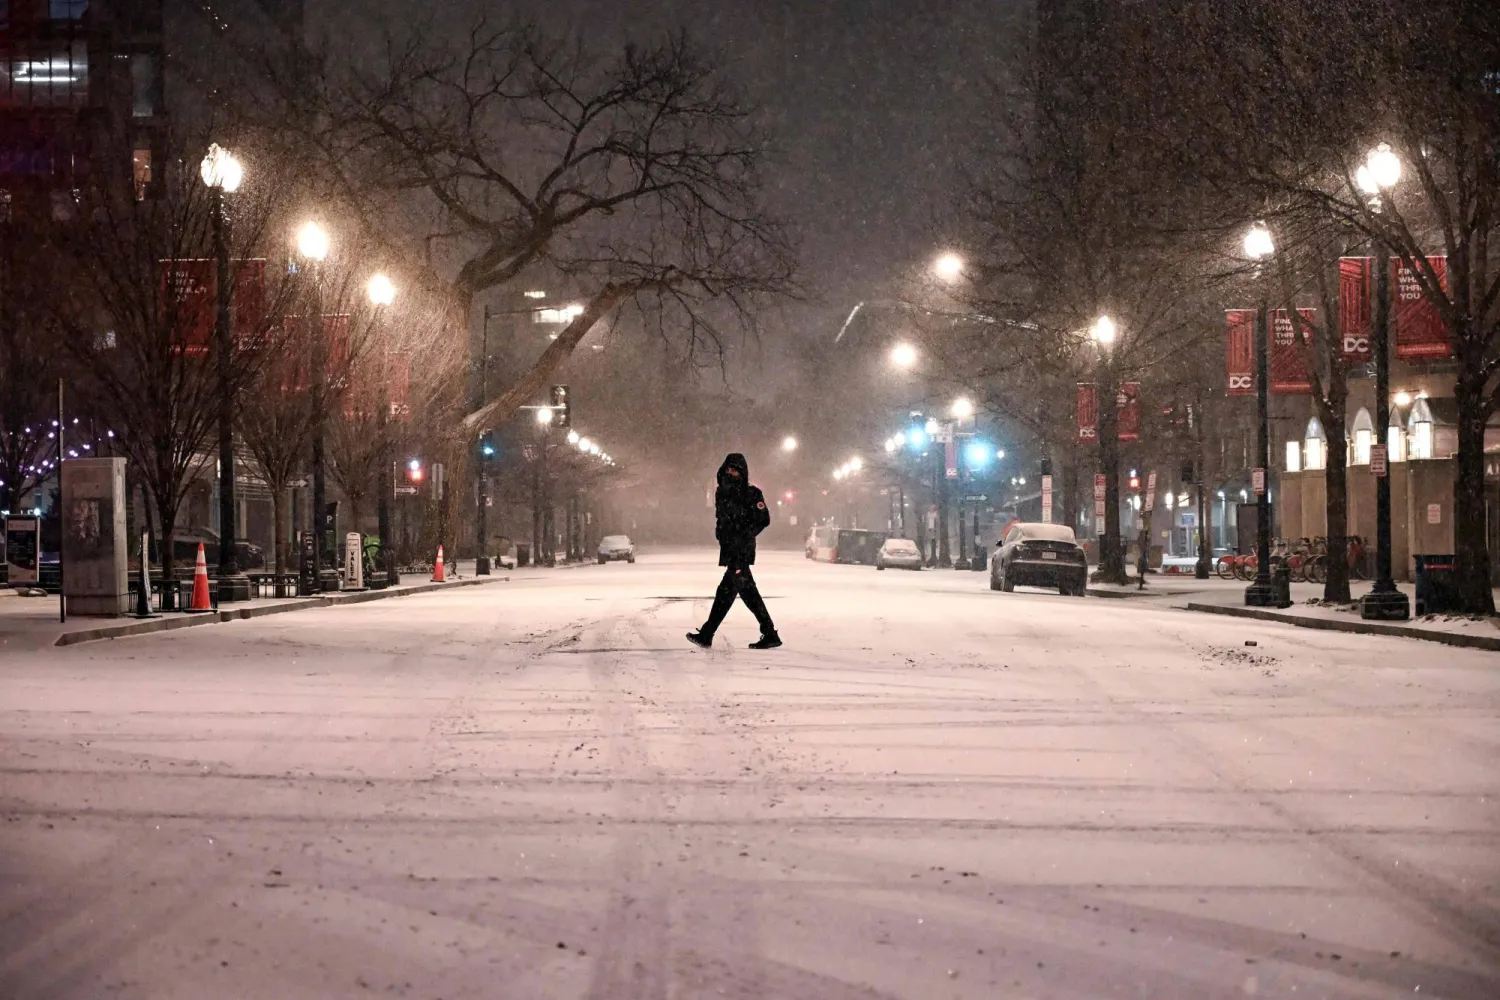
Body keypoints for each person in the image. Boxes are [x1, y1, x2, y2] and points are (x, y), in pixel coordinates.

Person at [687, 453, 782, 649]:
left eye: (735, 470)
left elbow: (764, 519)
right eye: (729, 469)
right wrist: (720, 531)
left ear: (742, 472)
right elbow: (721, 518)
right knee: (745, 592)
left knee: (727, 591)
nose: (731, 473)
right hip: (729, 548)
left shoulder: (752, 493)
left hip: (742, 550)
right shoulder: (721, 493)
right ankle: (769, 632)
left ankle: (707, 633)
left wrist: (746, 533)